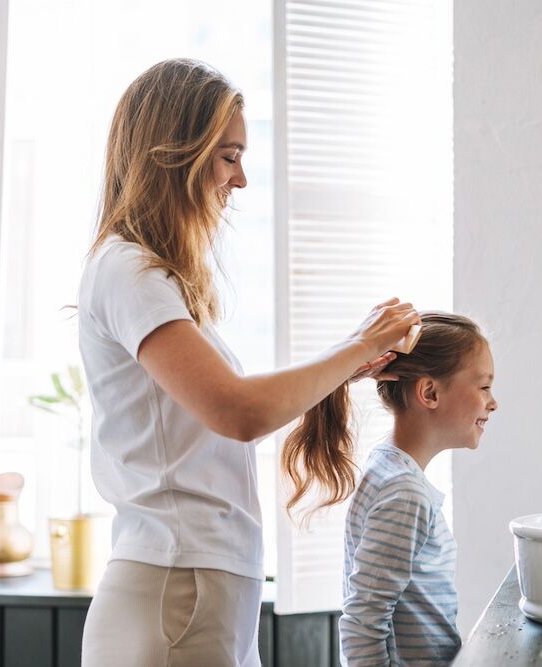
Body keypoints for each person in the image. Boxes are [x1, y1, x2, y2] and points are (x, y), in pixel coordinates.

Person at [77, 58, 419, 667]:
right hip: (174, 591)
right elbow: (236, 409)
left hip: (191, 591)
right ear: (174, 155)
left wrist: (349, 361)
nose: (241, 181)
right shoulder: (130, 271)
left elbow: (237, 402)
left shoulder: (156, 280)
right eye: (228, 156)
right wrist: (360, 346)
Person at [281, 312, 498, 666]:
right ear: (429, 392)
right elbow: (363, 622)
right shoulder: (404, 492)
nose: (493, 402)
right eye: (484, 386)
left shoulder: (388, 467)